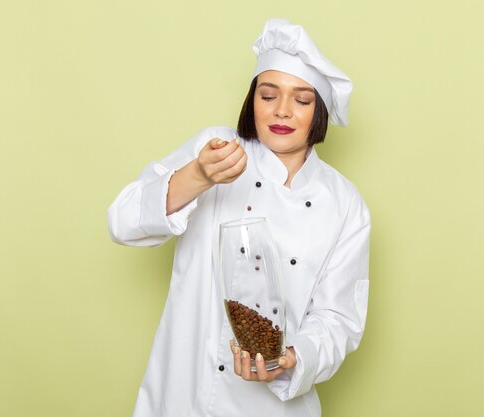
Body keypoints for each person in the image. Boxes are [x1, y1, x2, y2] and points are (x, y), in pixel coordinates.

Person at [108, 18, 370, 417]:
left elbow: (338, 319)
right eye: (268, 95)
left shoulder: (344, 203)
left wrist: (292, 359)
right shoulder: (216, 150)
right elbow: (122, 222)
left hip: (274, 406)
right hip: (185, 393)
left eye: (302, 100)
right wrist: (197, 175)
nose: (282, 110)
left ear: (319, 111)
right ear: (252, 101)